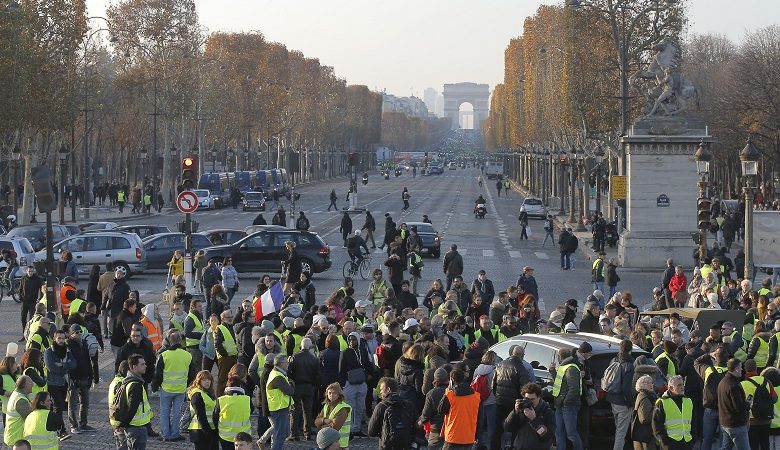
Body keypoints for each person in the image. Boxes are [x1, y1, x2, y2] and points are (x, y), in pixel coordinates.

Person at [152, 331, 193, 442]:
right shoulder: (187, 355)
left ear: (169, 341)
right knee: (177, 412)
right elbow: (192, 373)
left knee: (165, 412)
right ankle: (175, 433)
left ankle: (165, 434)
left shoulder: (164, 355)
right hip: (180, 389)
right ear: (180, 341)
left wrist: (155, 386)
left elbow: (158, 374)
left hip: (166, 389)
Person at [492, 344, 531, 450]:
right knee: (514, 429)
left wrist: (497, 396)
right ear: (522, 356)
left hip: (500, 401)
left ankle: (494, 447)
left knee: (497, 429)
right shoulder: (521, 368)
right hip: (514, 404)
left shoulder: (500, 365)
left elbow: (493, 385)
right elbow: (526, 389)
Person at [114, 354, 152, 450]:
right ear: (134, 367)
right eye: (142, 364)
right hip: (137, 427)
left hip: (133, 427)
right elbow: (132, 407)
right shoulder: (136, 385)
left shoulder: (127, 381)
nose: (145, 366)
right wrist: (123, 424)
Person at [438, 368, 481, 450]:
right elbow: (479, 419)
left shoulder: (450, 395)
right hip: (469, 437)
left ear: (452, 380)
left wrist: (446, 393)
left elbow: (441, 411)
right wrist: (476, 436)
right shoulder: (477, 396)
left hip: (452, 436)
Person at [43, 329, 74, 441]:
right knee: (58, 406)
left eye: (63, 338)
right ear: (54, 339)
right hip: (53, 383)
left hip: (65, 382)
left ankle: (51, 427)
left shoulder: (67, 350)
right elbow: (51, 367)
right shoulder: (48, 351)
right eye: (59, 338)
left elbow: (74, 363)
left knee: (56, 407)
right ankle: (61, 430)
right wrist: (65, 366)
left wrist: (61, 365)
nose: (61, 340)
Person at [504, 382, 554, 450]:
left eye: (532, 399)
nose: (529, 402)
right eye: (527, 399)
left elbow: (547, 436)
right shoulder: (522, 408)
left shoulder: (547, 411)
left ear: (539, 397)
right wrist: (515, 412)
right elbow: (507, 428)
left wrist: (534, 420)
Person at [368, 377, 415, 450]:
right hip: (405, 445)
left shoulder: (381, 406)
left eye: (381, 389)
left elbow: (371, 431)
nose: (380, 392)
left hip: (386, 446)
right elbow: (416, 426)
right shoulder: (409, 405)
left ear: (388, 390)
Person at [259, 354, 294, 450]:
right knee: (280, 435)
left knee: (282, 432)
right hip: (279, 408)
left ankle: (262, 441)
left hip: (280, 407)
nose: (288, 364)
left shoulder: (278, 374)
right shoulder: (278, 377)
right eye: (286, 362)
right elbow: (290, 391)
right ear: (281, 364)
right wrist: (291, 384)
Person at [339, 332, 371, 439]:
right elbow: (341, 370)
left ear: (358, 340)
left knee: (360, 408)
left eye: (354, 339)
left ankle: (357, 429)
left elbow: (367, 364)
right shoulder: (345, 352)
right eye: (350, 340)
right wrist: (342, 385)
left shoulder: (363, 351)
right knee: (351, 408)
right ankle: (350, 430)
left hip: (361, 383)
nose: (352, 342)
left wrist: (367, 376)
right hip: (349, 384)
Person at [552, 346, 584, 450]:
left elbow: (574, 388)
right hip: (560, 404)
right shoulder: (564, 366)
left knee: (571, 434)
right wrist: (552, 372)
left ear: (559, 357)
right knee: (559, 431)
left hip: (568, 405)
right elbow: (560, 384)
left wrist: (565, 402)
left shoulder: (571, 368)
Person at [289, 337, 320, 441]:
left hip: (297, 386)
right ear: (310, 346)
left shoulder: (295, 357)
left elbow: (290, 373)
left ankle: (294, 434)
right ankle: (307, 433)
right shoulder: (314, 358)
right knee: (307, 410)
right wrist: (314, 385)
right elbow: (318, 375)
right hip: (309, 387)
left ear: (301, 346)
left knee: (295, 410)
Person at [607, 340, 636, 450]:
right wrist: (629, 403)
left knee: (618, 428)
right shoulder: (629, 365)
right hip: (623, 403)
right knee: (621, 432)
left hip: (612, 399)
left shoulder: (614, 360)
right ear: (631, 349)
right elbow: (626, 388)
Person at [66, 324, 94, 435]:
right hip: (74, 379)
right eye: (76, 332)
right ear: (71, 334)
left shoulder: (84, 344)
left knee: (85, 402)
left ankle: (83, 423)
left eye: (80, 332)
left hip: (84, 377)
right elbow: (69, 364)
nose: (79, 334)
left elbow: (88, 361)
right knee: (72, 403)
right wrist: (72, 378)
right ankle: (74, 425)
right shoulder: (69, 346)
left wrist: (91, 376)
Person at [653, 375, 694, 450]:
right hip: (671, 443)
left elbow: (694, 422)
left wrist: (693, 440)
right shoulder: (662, 402)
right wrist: (665, 443)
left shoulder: (688, 401)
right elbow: (657, 425)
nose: (682, 387)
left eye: (682, 384)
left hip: (687, 442)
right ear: (671, 388)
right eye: (679, 385)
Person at [718, 359, 751, 450]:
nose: (742, 370)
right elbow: (739, 408)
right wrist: (748, 404)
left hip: (725, 422)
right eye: (741, 368)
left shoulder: (722, 382)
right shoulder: (734, 385)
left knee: (726, 448)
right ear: (736, 369)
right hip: (736, 425)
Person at [215, 375, 251, 450]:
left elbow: (215, 416)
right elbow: (251, 410)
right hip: (243, 435)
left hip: (225, 436)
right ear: (240, 385)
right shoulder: (247, 399)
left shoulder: (221, 400)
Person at [314, 382, 352, 449]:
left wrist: (321, 427)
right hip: (328, 444)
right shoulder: (326, 406)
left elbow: (335, 427)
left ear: (339, 394)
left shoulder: (343, 408)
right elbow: (316, 422)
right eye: (329, 393)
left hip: (340, 445)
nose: (331, 395)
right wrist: (324, 420)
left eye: (334, 393)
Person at [187, 370, 218, 450]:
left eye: (209, 379)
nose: (207, 382)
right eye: (204, 380)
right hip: (201, 431)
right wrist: (208, 432)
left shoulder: (209, 393)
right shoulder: (197, 394)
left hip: (210, 429)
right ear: (199, 381)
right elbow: (200, 415)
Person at [4, 376, 33, 447]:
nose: (33, 384)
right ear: (24, 385)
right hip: (17, 440)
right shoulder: (21, 400)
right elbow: (30, 419)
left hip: (13, 436)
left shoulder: (16, 394)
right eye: (30, 382)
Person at [214, 310, 237, 396]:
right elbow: (217, 344)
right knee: (222, 379)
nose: (231, 319)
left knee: (232, 378)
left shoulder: (231, 327)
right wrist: (225, 355)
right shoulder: (220, 328)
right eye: (228, 317)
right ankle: (220, 398)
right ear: (223, 318)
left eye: (231, 317)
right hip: (225, 358)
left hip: (233, 357)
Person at [18, 267, 42, 339]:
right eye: (29, 271)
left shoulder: (37, 279)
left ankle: (31, 334)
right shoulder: (23, 278)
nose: (30, 273)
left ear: (33, 271)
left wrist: (40, 298)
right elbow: (20, 289)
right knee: (23, 318)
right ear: (26, 271)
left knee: (32, 319)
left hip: (33, 302)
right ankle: (24, 335)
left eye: (31, 271)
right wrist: (20, 297)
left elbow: (42, 289)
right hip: (25, 302)